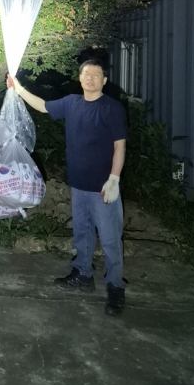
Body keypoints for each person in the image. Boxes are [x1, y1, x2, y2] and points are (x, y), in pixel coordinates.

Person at [7, 59, 127, 316]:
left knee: (109, 240)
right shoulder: (71, 103)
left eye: (96, 74)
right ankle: (83, 275)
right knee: (82, 234)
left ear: (104, 80)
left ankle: (115, 287)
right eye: (86, 74)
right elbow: (42, 106)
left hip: (103, 187)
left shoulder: (111, 108)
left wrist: (114, 179)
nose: (90, 78)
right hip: (79, 184)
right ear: (80, 78)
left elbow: (120, 145)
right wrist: (18, 89)